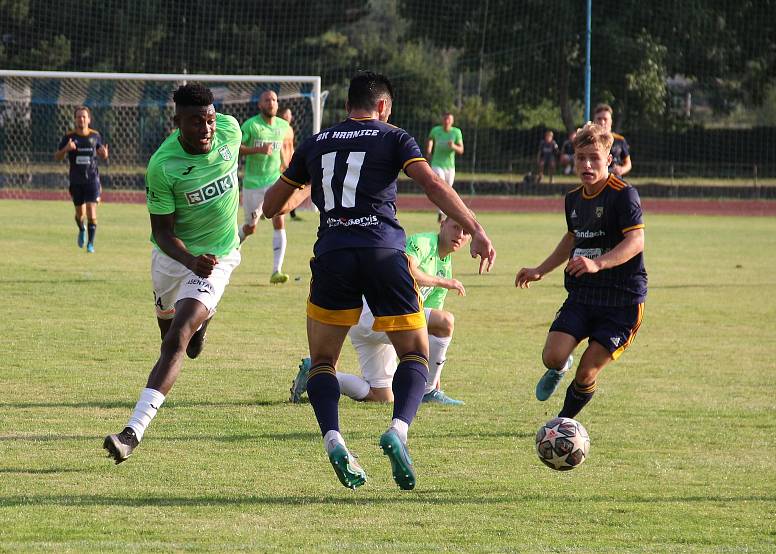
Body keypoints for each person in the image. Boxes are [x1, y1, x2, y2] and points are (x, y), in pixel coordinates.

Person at [263, 71, 495, 490]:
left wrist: (302, 186)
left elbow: (271, 206)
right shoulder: (394, 137)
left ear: (348, 104)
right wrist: (474, 226)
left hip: (333, 253)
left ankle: (334, 438)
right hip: (385, 253)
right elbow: (432, 185)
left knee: (322, 363)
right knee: (415, 355)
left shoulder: (317, 142)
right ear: (384, 106)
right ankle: (398, 430)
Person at [103, 84, 243, 464]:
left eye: (210, 119)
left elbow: (228, 140)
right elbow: (163, 232)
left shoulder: (231, 130)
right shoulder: (162, 166)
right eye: (196, 121)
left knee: (177, 339)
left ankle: (132, 432)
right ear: (177, 121)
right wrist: (188, 260)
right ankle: (203, 319)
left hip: (218, 257)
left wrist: (202, 262)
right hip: (173, 260)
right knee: (172, 333)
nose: (206, 128)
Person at [515, 121, 646, 420]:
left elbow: (636, 241)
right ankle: (561, 368)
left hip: (621, 302)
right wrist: (541, 270)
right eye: (580, 157)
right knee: (552, 356)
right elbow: (573, 237)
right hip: (583, 295)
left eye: (594, 158)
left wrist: (597, 263)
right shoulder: (573, 199)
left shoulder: (624, 195)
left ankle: (562, 423)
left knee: (588, 371)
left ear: (609, 160)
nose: (587, 164)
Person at [290, 215, 470, 406]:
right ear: (443, 225)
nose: (459, 235)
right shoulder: (423, 242)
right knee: (446, 321)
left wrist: (433, 379)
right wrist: (445, 282)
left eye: (466, 232)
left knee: (381, 396)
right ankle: (428, 392)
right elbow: (406, 272)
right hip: (375, 311)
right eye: (456, 227)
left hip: (381, 322)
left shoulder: (445, 265)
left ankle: (316, 372)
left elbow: (431, 335)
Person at [238, 90, 295, 284]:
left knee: (279, 221)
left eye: (274, 100)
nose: (271, 103)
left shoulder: (283, 126)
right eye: (267, 100)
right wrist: (258, 149)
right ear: (260, 105)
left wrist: (289, 169)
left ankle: (276, 271)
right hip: (253, 184)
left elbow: (287, 151)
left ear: (278, 105)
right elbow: (237, 148)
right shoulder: (251, 125)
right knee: (250, 228)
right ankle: (226, 253)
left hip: (274, 181)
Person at [54, 106, 109, 253]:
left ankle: (90, 244)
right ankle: (81, 228)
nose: (81, 119)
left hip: (92, 179)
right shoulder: (69, 137)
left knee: (91, 210)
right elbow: (57, 157)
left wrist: (104, 154)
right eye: (79, 116)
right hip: (76, 181)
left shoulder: (95, 136)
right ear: (75, 119)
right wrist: (66, 149)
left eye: (84, 116)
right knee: (80, 214)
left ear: (89, 119)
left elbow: (102, 154)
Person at [426, 112, 464, 222]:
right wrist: (429, 151)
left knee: (447, 191)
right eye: (445, 119)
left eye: (449, 119)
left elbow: (461, 150)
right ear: (443, 120)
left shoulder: (456, 132)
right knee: (441, 186)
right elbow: (430, 139)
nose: (447, 121)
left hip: (450, 166)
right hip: (437, 164)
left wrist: (453, 146)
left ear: (452, 121)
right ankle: (440, 213)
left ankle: (445, 212)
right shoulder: (436, 130)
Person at [277, 106, 303, 222]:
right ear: (281, 115)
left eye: (290, 115)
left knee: (294, 188)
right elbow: (279, 147)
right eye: (286, 114)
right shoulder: (279, 128)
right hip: (279, 165)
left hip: (288, 163)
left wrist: (293, 160)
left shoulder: (290, 129)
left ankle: (292, 213)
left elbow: (291, 146)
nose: (289, 117)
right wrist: (283, 162)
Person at [592, 103, 632, 178]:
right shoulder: (589, 140)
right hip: (596, 180)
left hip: (616, 180)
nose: (602, 122)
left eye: (605, 119)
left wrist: (621, 169)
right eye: (599, 119)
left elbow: (628, 164)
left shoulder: (620, 140)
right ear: (594, 121)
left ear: (611, 121)